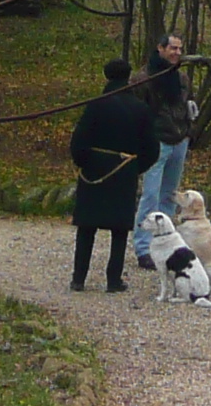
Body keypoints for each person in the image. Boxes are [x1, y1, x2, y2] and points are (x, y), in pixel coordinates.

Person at [67, 56, 154, 292]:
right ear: (128, 77)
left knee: (87, 228)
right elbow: (152, 149)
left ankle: (79, 278)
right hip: (124, 170)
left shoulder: (95, 104)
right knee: (119, 230)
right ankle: (113, 280)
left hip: (94, 170)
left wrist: (84, 162)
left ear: (106, 76)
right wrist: (134, 168)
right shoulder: (141, 108)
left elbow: (79, 140)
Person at [135, 33, 194, 266]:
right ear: (160, 48)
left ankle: (167, 244)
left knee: (169, 195)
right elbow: (138, 110)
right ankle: (142, 247)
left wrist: (190, 129)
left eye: (179, 49)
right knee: (150, 195)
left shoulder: (181, 78)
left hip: (179, 139)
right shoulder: (143, 78)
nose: (177, 53)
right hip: (156, 141)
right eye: (173, 48)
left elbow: (190, 102)